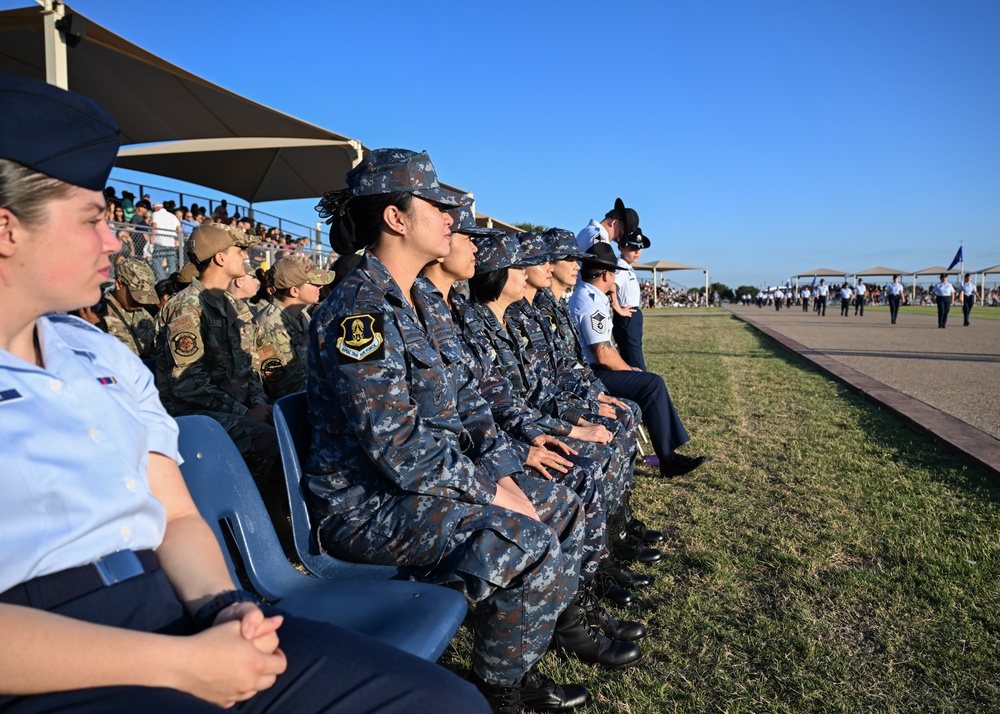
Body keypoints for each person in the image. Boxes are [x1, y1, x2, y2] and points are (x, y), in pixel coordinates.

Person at [0, 73, 488, 714]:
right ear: (7, 230)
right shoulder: (211, 312)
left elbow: (174, 515)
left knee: (445, 705)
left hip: (176, 605)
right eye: (93, 219)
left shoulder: (98, 353)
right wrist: (184, 663)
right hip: (54, 659)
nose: (116, 239)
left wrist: (227, 610)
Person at [308, 149, 601, 713]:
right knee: (526, 536)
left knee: (561, 504)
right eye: (436, 206)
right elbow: (395, 446)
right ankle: (497, 691)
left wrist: (504, 465)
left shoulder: (420, 299)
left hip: (424, 485)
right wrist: (489, 488)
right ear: (396, 218)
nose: (451, 218)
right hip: (369, 504)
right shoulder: (358, 312)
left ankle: (521, 654)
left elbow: (468, 404)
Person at [155, 223, 280, 496]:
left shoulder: (235, 306)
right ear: (220, 258)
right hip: (190, 414)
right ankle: (244, 511)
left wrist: (259, 406)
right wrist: (244, 412)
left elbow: (251, 367)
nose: (245, 256)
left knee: (284, 423)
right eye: (239, 250)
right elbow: (188, 384)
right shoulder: (186, 307)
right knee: (264, 439)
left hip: (230, 410)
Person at [569, 243, 707, 478]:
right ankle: (668, 459)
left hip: (591, 369)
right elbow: (603, 354)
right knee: (651, 383)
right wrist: (631, 371)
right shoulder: (591, 303)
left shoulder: (590, 297)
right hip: (591, 374)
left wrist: (628, 368)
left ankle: (668, 455)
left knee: (648, 381)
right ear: (606, 274)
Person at [253, 255, 334, 401]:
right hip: (291, 406)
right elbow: (282, 387)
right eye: (315, 283)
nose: (321, 286)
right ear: (294, 291)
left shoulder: (302, 316)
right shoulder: (271, 325)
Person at [611, 227, 650, 370]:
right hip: (627, 317)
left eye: (639, 248)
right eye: (632, 248)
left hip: (632, 315)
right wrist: (619, 310)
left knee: (632, 358)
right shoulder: (621, 266)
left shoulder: (627, 266)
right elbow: (611, 288)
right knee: (636, 362)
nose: (637, 252)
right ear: (621, 247)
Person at [104, 256, 157, 358]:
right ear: (119, 284)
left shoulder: (144, 316)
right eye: (136, 297)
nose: (140, 303)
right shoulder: (101, 313)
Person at [149, 201, 181, 281]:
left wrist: (151, 237)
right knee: (172, 264)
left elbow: (154, 225)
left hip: (160, 241)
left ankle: (162, 281)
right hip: (171, 242)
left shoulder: (156, 214)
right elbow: (180, 228)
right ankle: (172, 281)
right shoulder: (172, 215)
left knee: (156, 262)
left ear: (156, 208)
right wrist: (177, 239)